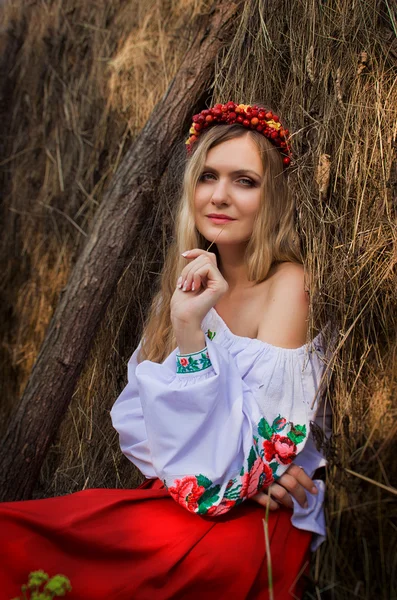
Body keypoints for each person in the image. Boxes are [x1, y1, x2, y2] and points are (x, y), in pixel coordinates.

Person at [0, 101, 331, 600]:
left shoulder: (288, 286)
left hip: (251, 524)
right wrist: (185, 323)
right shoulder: (180, 294)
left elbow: (253, 463)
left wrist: (246, 471)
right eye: (207, 177)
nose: (219, 196)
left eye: (244, 180)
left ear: (273, 198)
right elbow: (139, 428)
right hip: (177, 501)